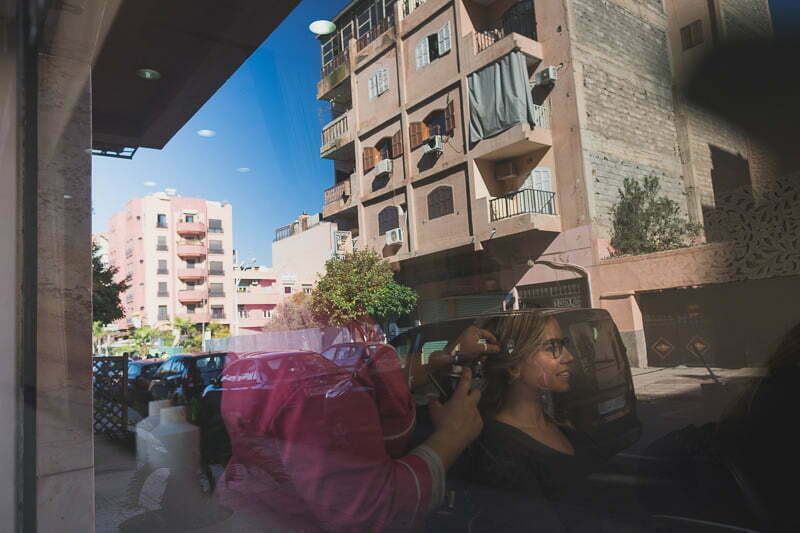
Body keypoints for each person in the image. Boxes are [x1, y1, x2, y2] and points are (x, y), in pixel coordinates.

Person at [215, 325, 499, 532]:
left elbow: (373, 379)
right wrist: (452, 438)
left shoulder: (273, 369)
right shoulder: (318, 387)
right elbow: (367, 511)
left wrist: (446, 357)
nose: (370, 326)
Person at [451, 312, 635, 532]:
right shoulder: (500, 450)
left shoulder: (560, 425)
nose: (568, 357)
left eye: (563, 345)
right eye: (551, 347)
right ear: (513, 366)